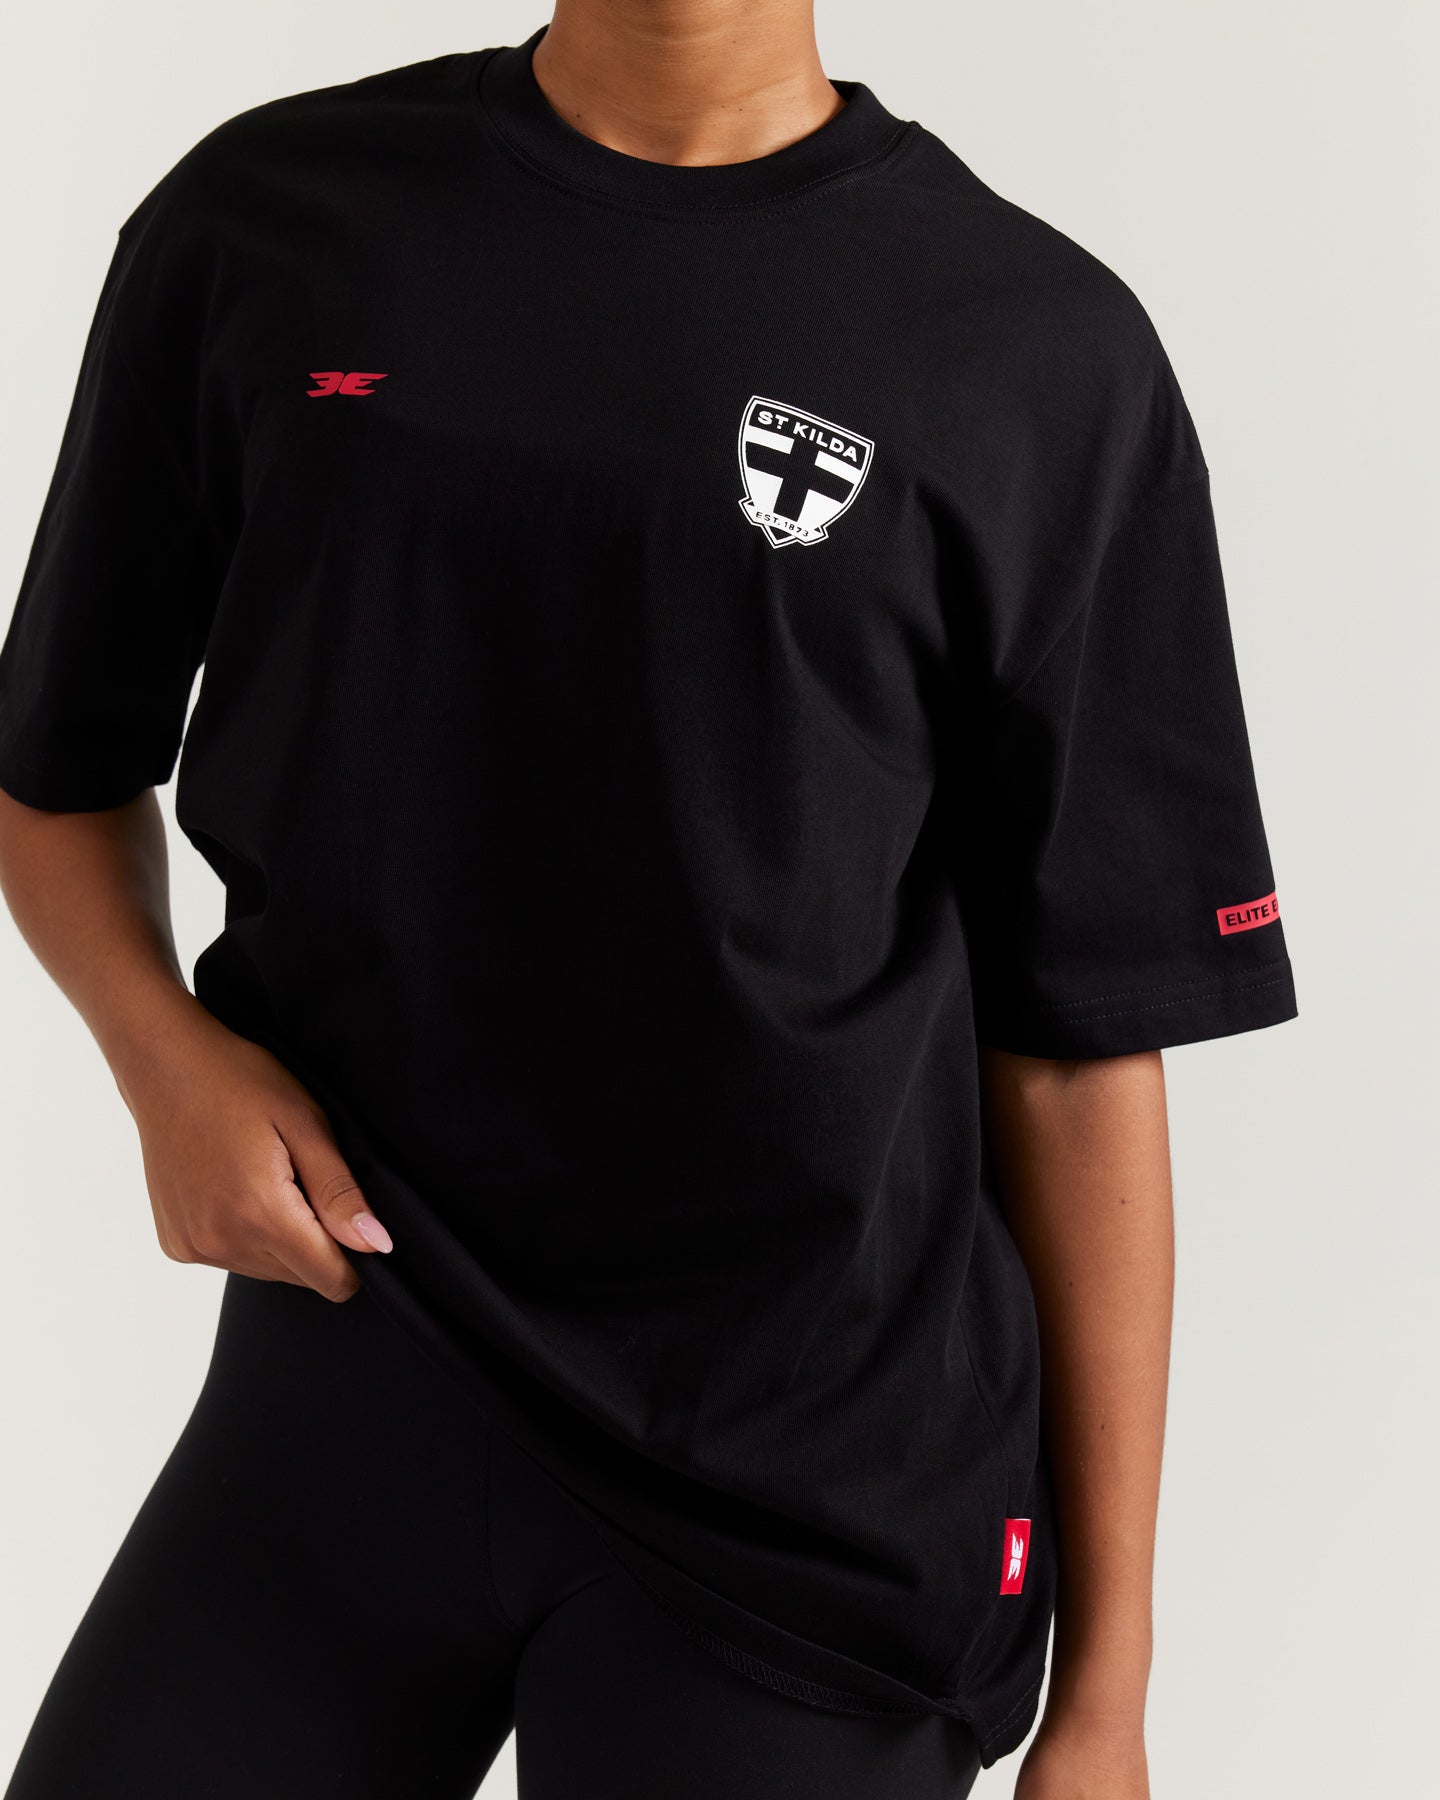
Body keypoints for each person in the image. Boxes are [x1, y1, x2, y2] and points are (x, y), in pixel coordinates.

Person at [0, 4, 1297, 1796]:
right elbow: (54, 762)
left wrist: (1108, 1699)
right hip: (354, 1372)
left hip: (808, 1499)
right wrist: (163, 1058)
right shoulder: (271, 223)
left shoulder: (1035, 348)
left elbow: (1078, 1050)